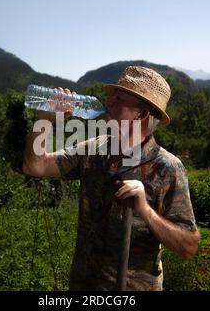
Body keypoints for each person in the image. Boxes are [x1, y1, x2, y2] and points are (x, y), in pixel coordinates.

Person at [22, 66, 200, 291]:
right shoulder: (93, 150)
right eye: (111, 95)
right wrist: (44, 121)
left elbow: (188, 246)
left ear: (141, 114)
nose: (109, 101)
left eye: (119, 98)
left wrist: (145, 210)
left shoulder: (166, 167)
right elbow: (34, 166)